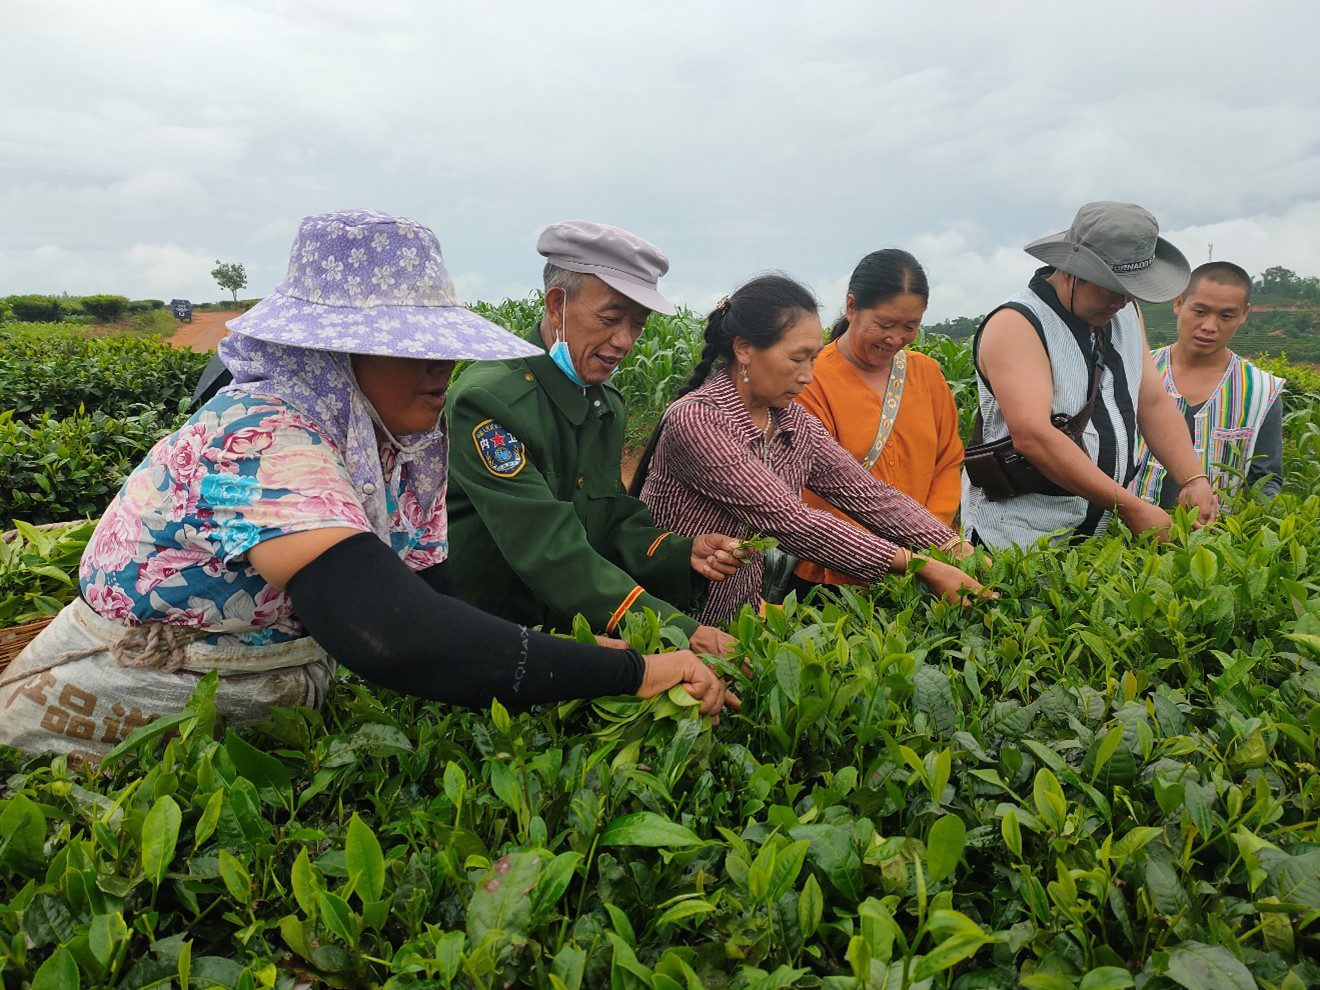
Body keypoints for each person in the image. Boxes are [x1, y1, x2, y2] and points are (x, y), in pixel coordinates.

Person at [0, 211, 736, 759]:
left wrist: (596, 660)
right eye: (402, 349)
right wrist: (632, 669)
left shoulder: (393, 440)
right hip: (129, 704)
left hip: (262, 691)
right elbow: (391, 630)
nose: (436, 372)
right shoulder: (264, 439)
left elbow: (433, 597)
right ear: (330, 352)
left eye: (436, 349)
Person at [446, 221, 744, 657]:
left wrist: (681, 553)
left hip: (564, 637)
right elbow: (548, 546)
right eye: (609, 319)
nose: (624, 341)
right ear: (555, 305)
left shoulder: (604, 405)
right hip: (490, 641)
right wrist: (677, 628)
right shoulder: (490, 401)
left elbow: (608, 519)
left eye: (638, 325)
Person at [630, 275, 986, 626]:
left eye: (814, 359)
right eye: (798, 358)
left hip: (738, 616)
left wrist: (952, 547)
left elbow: (870, 496)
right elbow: (790, 521)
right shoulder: (699, 420)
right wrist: (919, 565)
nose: (808, 375)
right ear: (744, 349)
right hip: (669, 620)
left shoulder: (790, 420)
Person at [962, 202, 1220, 549]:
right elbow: (1034, 437)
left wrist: (1192, 478)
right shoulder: (1017, 325)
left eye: (1129, 292)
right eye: (1109, 289)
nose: (1120, 302)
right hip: (1018, 539)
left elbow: (1152, 402)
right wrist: (1131, 508)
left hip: (1094, 535)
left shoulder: (1126, 313)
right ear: (1072, 271)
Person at [793, 250, 963, 592]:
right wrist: (888, 555)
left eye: (910, 326)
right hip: (834, 574)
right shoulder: (810, 381)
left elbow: (948, 461)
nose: (896, 338)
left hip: (928, 566)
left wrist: (931, 542)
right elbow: (815, 484)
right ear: (852, 307)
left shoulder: (926, 375)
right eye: (885, 325)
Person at [1128, 262, 1284, 506]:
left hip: (1212, 540)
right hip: (1123, 533)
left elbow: (1265, 480)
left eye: (1226, 316)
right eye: (1200, 311)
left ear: (1244, 314)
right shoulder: (1136, 369)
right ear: (1178, 303)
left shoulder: (1261, 391)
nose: (1209, 326)